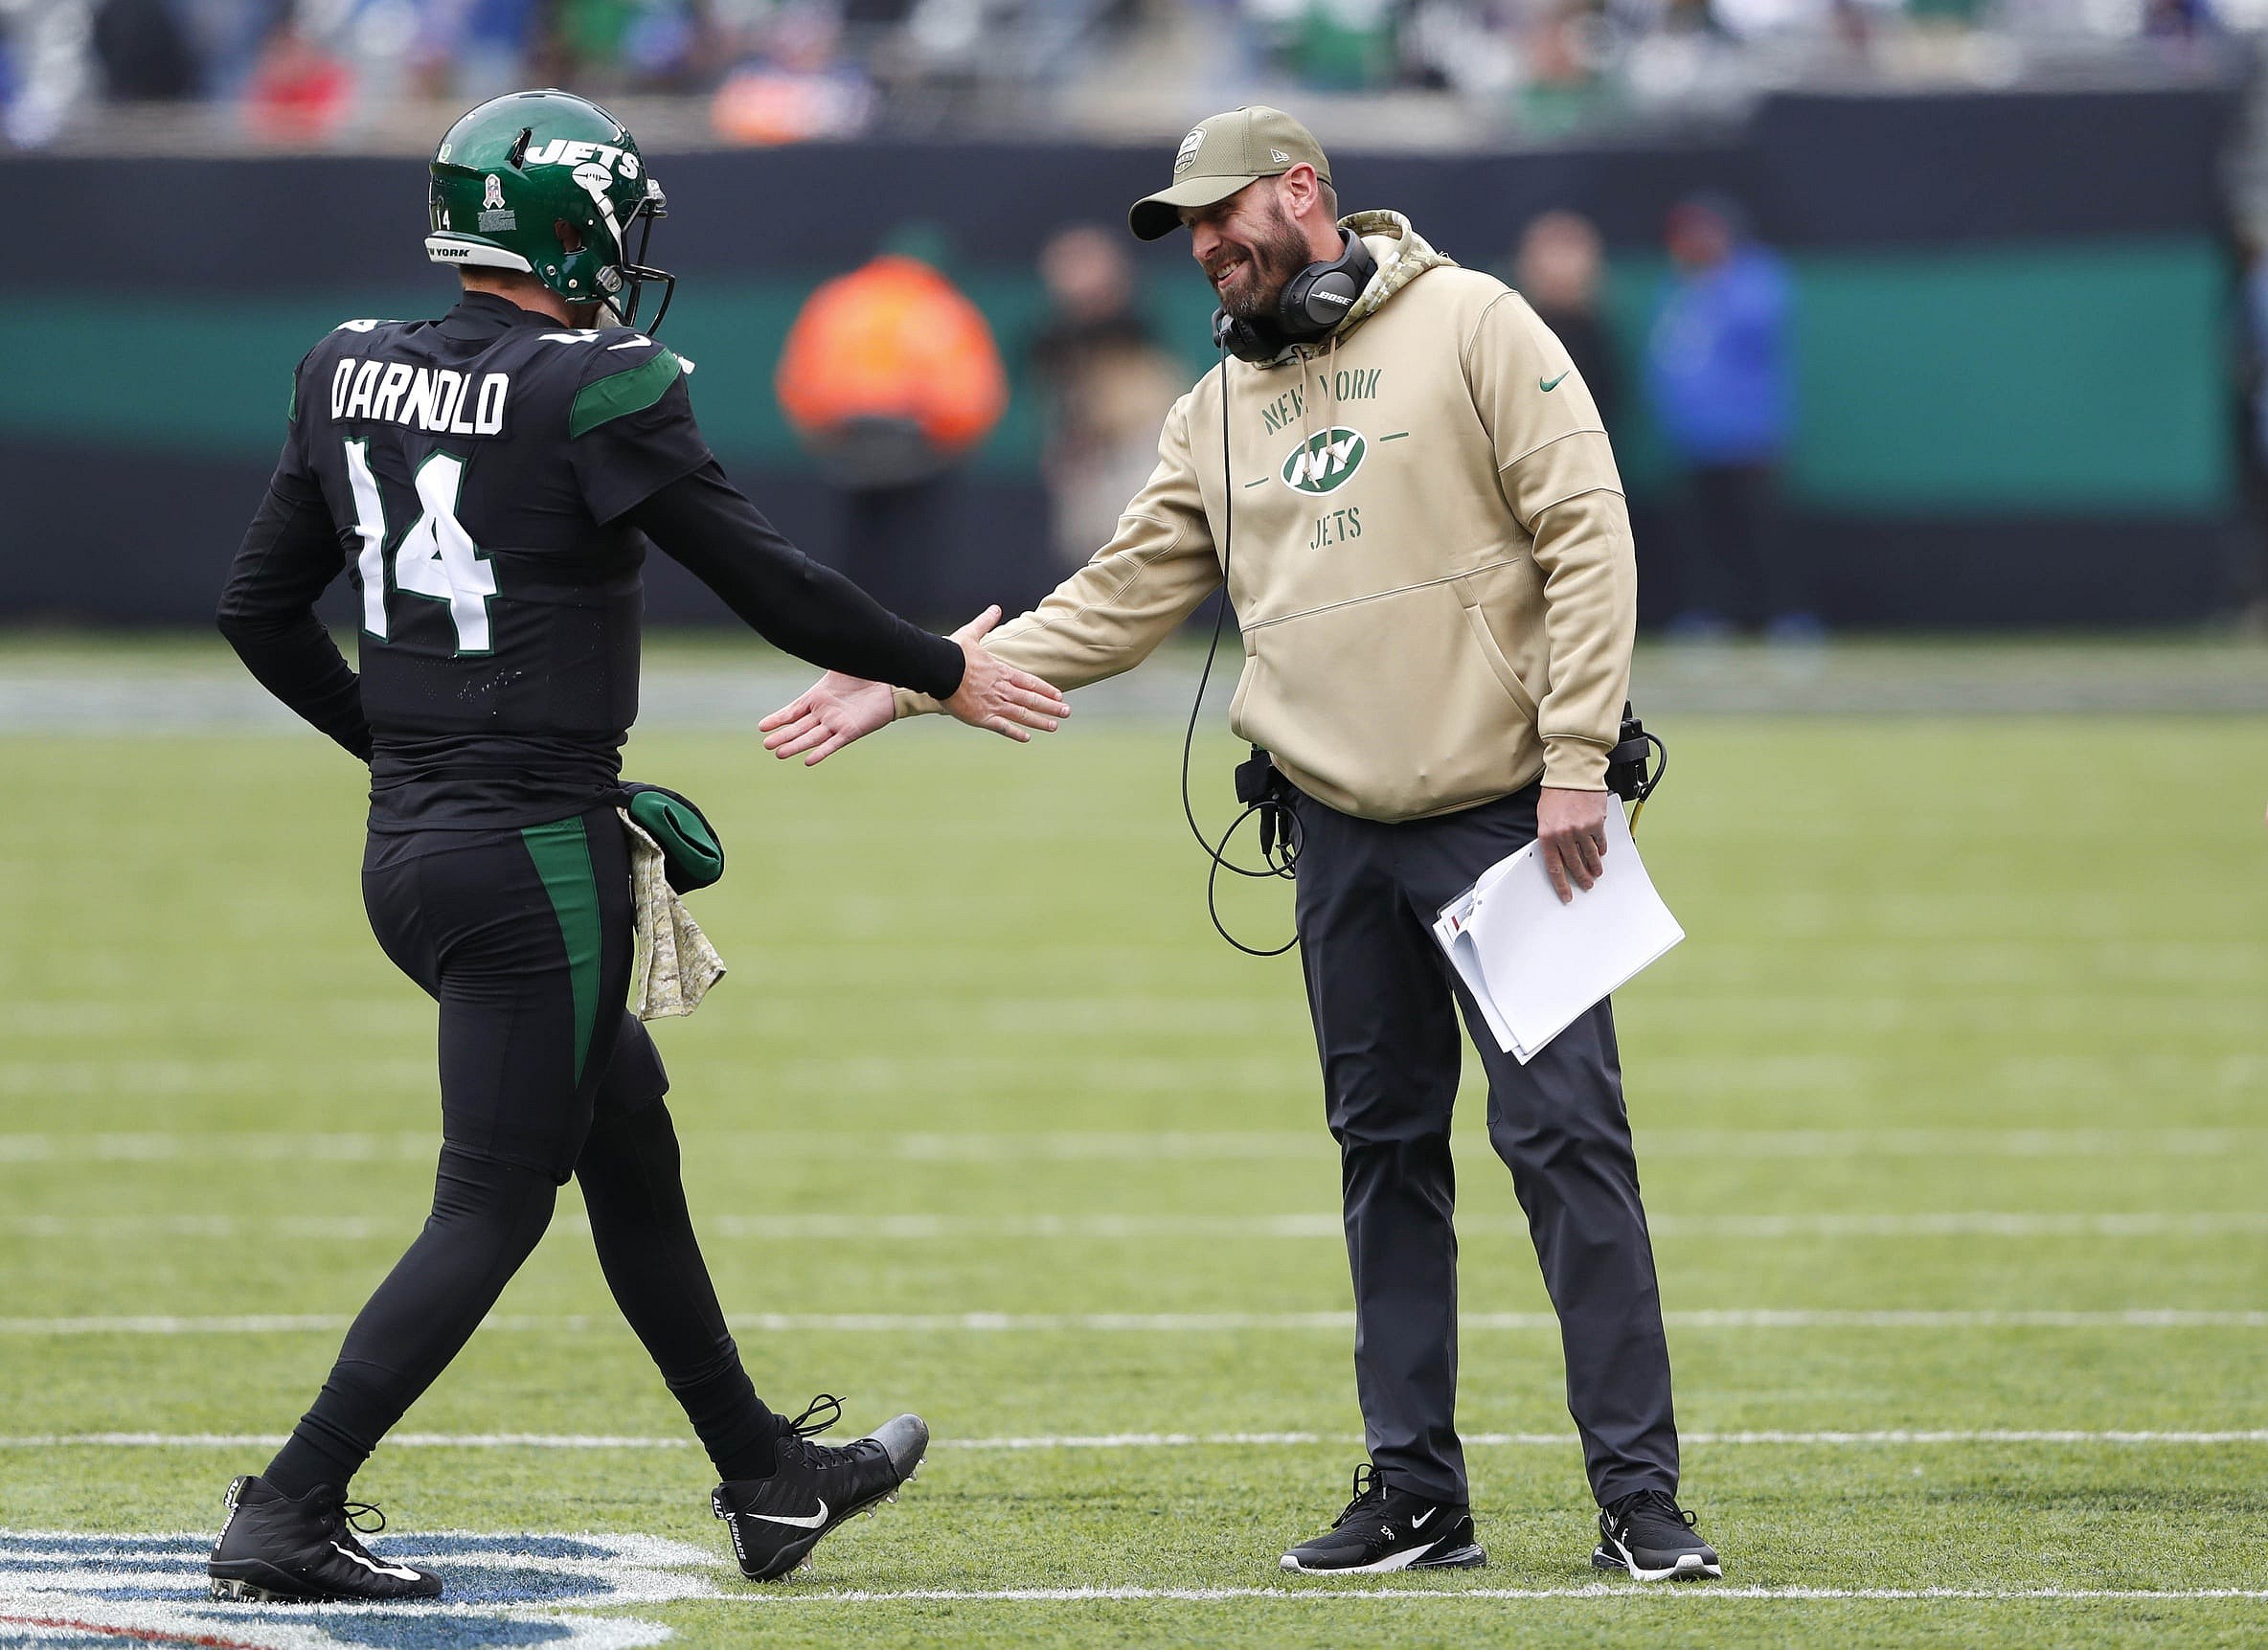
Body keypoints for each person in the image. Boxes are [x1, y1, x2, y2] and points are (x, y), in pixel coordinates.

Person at [759, 103, 1721, 1582]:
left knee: (1569, 1149)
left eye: (1224, 216)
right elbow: (1119, 595)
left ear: (1303, 194)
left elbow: (1590, 530)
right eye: (1186, 229)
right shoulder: (1215, 403)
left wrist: (1578, 759)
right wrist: (910, 672)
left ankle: (1642, 1504)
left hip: (1509, 814)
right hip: (1334, 835)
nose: (1205, 247)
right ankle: (1417, 1493)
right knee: (1382, 1156)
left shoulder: (1475, 319)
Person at [209, 87, 1067, 1604]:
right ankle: (290, 1502)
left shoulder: (344, 365)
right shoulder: (599, 385)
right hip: (533, 850)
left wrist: (404, 747)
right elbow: (775, 580)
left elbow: (258, 610)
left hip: (413, 844)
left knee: (628, 1122)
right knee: (494, 1195)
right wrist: (938, 666)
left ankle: (766, 1475)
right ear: (571, 223)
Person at [774, 228, 1009, 621]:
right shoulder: (943, 307)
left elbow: (801, 380)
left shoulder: (839, 300)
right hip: (921, 447)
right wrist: (955, 439)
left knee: (858, 549)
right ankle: (908, 632)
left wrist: (820, 433)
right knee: (913, 551)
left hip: (848, 443)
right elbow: (970, 391)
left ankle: (850, 625)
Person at [1643, 192, 1813, 636]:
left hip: (1750, 434)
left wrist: (1711, 284)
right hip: (1695, 438)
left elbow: (1757, 326)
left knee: (1762, 531)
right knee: (1703, 535)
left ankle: (1785, 616)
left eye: (1700, 231)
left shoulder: (1756, 277)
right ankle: (1709, 614)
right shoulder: (1676, 287)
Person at [1029, 223, 1184, 569]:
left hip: (1135, 444)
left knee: (1138, 542)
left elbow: (1126, 327)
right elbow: (1043, 363)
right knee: (1085, 551)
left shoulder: (1133, 321)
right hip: (1084, 451)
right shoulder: (1053, 337)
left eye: (1085, 264)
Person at [1511, 209, 1619, 436]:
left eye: (1571, 249)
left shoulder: (1600, 336)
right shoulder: (1516, 333)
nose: (1563, 264)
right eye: (1554, 251)